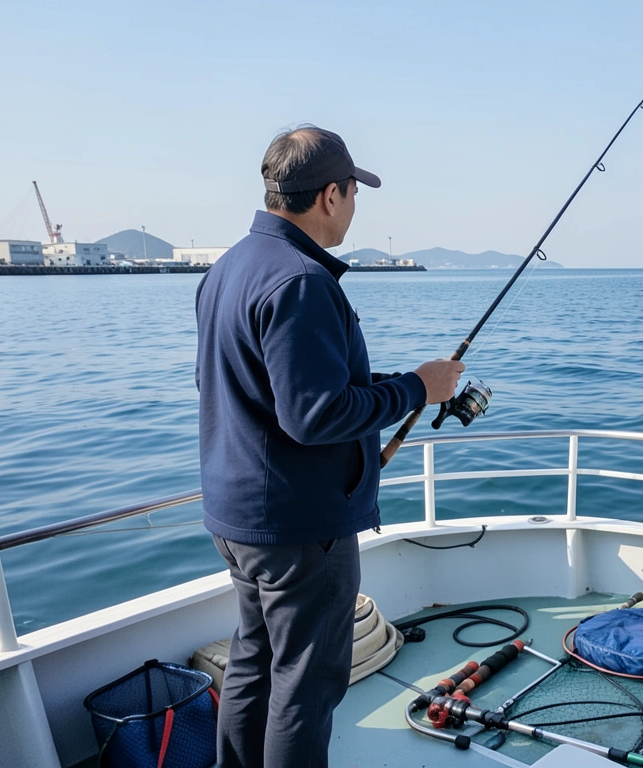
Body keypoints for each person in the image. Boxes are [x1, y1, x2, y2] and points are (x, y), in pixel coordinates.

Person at [194, 125, 464, 767]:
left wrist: (392, 385)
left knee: (255, 663)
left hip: (238, 518)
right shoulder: (302, 281)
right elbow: (314, 415)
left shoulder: (229, 268)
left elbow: (268, 387)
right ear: (331, 195)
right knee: (305, 688)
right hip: (299, 529)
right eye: (354, 192)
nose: (354, 206)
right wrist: (416, 390)